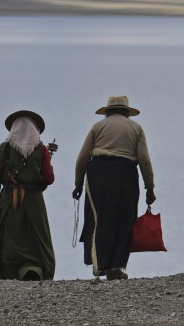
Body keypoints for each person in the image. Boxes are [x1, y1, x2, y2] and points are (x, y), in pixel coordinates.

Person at [73, 95, 156, 280]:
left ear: (107, 111)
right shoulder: (136, 128)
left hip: (98, 173)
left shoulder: (97, 127)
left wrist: (78, 184)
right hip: (126, 173)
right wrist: (149, 187)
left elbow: (82, 158)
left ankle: (99, 264)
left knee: (98, 218)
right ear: (127, 111)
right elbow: (144, 160)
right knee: (124, 219)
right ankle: (116, 267)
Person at [0, 109, 56, 281]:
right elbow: (49, 178)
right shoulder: (41, 150)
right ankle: (33, 269)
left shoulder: (3, 149)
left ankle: (9, 273)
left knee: (10, 239)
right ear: (35, 129)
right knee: (36, 239)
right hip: (34, 202)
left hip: (9, 201)